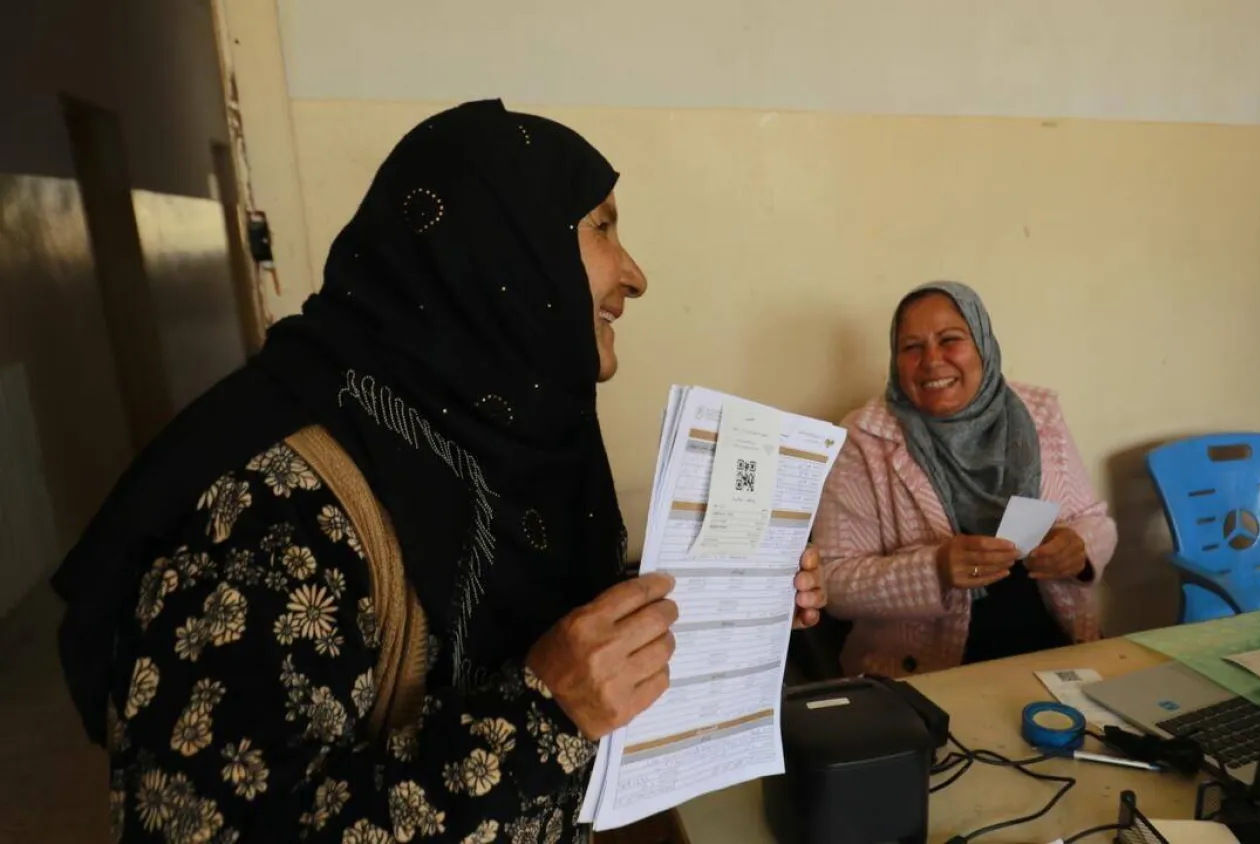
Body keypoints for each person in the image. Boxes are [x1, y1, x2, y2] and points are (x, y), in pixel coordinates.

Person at [52, 100, 826, 844]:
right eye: (601, 226)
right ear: (501, 248)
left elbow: (540, 627)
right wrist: (541, 716)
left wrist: (731, 602)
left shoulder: (507, 438)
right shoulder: (268, 505)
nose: (634, 274)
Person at [812, 281, 1115, 677]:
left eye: (950, 339)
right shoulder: (863, 439)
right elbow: (832, 581)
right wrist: (934, 568)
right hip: (928, 672)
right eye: (911, 347)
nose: (932, 360)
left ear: (982, 346)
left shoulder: (1038, 415)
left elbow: (1095, 519)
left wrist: (1078, 547)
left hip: (1056, 647)